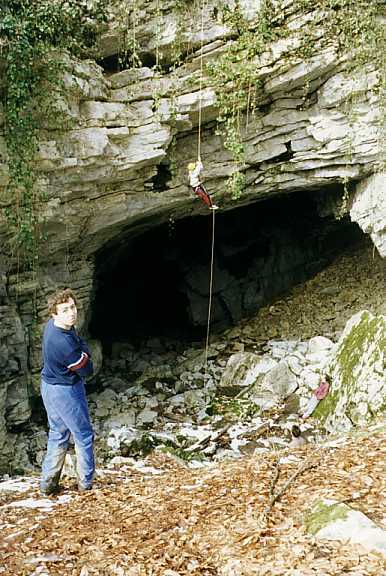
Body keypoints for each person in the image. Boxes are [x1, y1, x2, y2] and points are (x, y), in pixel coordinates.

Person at [40, 288, 95, 495]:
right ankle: (86, 485)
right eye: (65, 310)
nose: (72, 313)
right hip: (65, 392)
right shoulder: (63, 343)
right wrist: (85, 351)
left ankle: (47, 485)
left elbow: (79, 346)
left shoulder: (52, 327)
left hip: (48, 386)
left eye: (72, 307)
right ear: (54, 313)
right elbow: (87, 369)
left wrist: (81, 348)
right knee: (84, 435)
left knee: (58, 433)